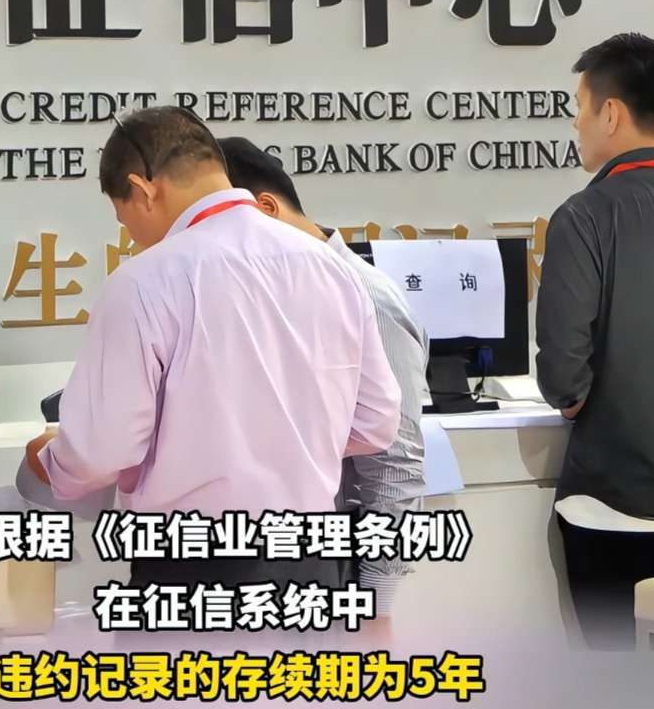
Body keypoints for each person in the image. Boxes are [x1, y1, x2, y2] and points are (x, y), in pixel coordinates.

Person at [21, 105, 402, 592]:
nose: (132, 236)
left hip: (194, 567)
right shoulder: (332, 269)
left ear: (142, 189)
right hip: (313, 562)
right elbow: (376, 422)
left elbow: (100, 452)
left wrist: (51, 460)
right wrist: (286, 441)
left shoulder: (144, 281)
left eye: (124, 218)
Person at [536, 33, 654, 650]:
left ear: (611, 113)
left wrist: (577, 402)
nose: (575, 122)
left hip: (612, 509)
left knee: (616, 680)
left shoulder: (582, 217)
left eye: (580, 107)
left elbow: (564, 379)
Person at [219, 135, 428, 617]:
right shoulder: (262, 295)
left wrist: (375, 605)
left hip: (336, 572)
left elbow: (395, 468)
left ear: (265, 209)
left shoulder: (365, 295)